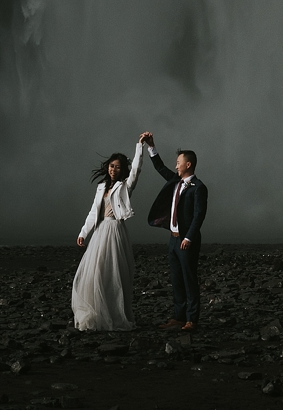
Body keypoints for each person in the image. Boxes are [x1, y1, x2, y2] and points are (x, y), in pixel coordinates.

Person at [71, 141, 143, 331]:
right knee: (95, 273)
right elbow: (94, 212)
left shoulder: (124, 186)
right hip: (100, 231)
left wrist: (139, 147)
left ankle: (114, 314)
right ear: (107, 167)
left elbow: (135, 170)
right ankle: (97, 313)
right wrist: (83, 233)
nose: (113, 169)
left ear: (122, 170)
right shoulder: (101, 187)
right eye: (111, 166)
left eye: (117, 167)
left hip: (114, 231)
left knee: (113, 274)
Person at [141, 131, 208, 332]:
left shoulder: (199, 187)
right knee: (176, 280)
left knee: (189, 279)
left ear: (188, 165)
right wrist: (151, 147)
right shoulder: (175, 182)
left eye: (178, 162)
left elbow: (199, 216)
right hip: (173, 239)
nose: (176, 165)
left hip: (187, 240)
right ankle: (178, 317)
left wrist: (188, 237)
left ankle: (191, 319)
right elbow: (160, 167)